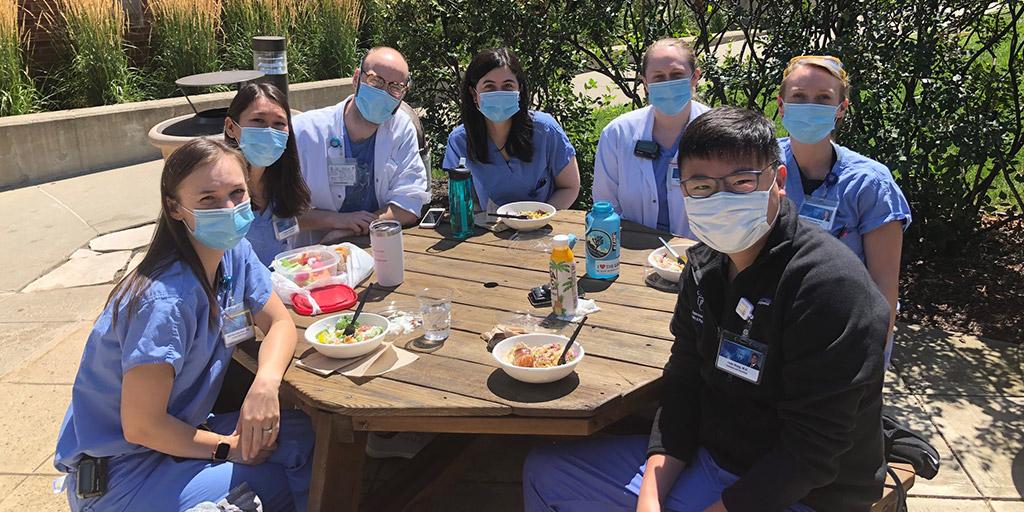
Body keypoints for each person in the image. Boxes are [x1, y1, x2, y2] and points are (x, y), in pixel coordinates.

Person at [523, 107, 890, 512]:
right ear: (684, 191)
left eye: (741, 182)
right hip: (715, 460)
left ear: (779, 181)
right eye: (702, 187)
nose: (722, 199)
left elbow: (811, 453)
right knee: (545, 472)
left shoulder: (829, 287)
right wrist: (650, 497)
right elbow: (683, 383)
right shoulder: (703, 266)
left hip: (805, 494)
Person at [53, 138, 314, 512]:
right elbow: (142, 426)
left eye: (236, 193)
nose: (229, 208)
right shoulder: (164, 302)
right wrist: (228, 448)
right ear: (175, 207)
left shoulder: (233, 254)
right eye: (208, 199)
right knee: (278, 480)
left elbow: (279, 323)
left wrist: (265, 384)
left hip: (178, 437)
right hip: (123, 474)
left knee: (304, 438)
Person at [776, 55, 911, 365]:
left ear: (841, 108)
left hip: (843, 334)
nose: (810, 106)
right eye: (799, 96)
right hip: (772, 326)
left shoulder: (870, 184)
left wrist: (871, 360)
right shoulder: (762, 165)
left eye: (824, 98)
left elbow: (884, 287)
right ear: (782, 105)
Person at [292, 46, 430, 244]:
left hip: (375, 244)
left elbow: (409, 202)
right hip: (313, 253)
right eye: (376, 81)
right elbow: (280, 214)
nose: (384, 92)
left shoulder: (401, 128)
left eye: (395, 87)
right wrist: (338, 221)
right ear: (356, 78)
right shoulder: (304, 132)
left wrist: (355, 229)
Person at [593, 38, 711, 238]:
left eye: (677, 75)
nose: (668, 84)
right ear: (645, 83)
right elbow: (606, 206)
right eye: (658, 77)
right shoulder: (617, 133)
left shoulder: (717, 134)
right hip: (633, 247)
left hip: (699, 249)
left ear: (695, 77)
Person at [443, 47, 581, 211]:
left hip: (542, 223)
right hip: (487, 226)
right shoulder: (459, 141)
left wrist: (539, 217)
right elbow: (465, 201)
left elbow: (569, 187)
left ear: (519, 90)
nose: (499, 94)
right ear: (474, 93)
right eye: (489, 87)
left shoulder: (546, 130)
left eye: (508, 86)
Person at [223, 83, 311, 266]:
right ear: (231, 127)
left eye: (279, 123)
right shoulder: (221, 193)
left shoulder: (280, 183)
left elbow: (293, 220)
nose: (269, 132)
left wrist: (340, 222)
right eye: (258, 121)